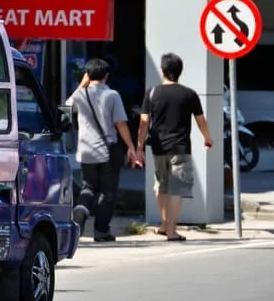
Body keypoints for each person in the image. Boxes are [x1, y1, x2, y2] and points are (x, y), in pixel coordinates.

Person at [135, 53, 213, 242]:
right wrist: (207, 138)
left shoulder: (152, 92)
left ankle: (163, 225)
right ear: (180, 72)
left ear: (162, 71)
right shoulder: (189, 94)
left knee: (161, 186)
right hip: (180, 147)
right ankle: (171, 231)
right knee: (177, 189)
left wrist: (139, 147)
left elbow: (144, 122)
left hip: (158, 148)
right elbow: (200, 120)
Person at [65, 58, 136, 242]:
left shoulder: (80, 95)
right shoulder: (112, 95)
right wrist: (131, 147)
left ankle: (81, 210)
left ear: (87, 75)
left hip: (85, 151)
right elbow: (120, 124)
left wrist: (81, 86)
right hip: (107, 151)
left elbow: (63, 110)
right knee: (107, 191)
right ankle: (101, 231)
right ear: (106, 75)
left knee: (88, 187)